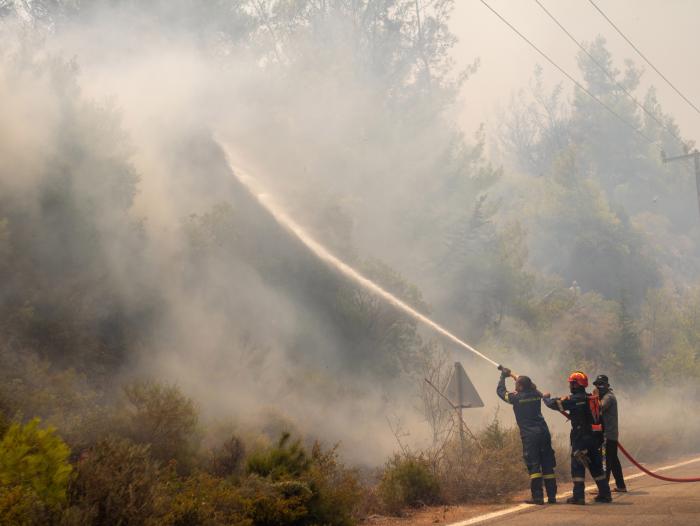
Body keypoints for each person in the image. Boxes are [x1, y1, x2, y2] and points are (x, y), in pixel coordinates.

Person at [543, 371, 612, 505]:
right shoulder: (590, 398)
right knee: (596, 466)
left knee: (577, 466)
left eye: (571, 383)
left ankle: (578, 497)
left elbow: (554, 404)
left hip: (581, 438)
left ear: (575, 384)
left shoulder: (575, 399)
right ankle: (605, 494)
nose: (569, 385)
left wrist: (546, 398)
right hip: (594, 438)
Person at [497, 367, 557, 505]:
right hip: (543, 432)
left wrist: (503, 377)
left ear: (521, 386)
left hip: (530, 437)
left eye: (516, 384)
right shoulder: (536, 394)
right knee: (547, 464)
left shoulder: (515, 397)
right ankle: (552, 496)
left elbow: (501, 392)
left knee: (534, 466)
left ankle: (538, 497)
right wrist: (516, 378)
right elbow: (532, 386)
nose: (515, 386)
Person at [594, 374, 627, 492]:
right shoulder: (604, 396)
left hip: (607, 435)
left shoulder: (608, 397)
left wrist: (595, 397)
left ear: (607, 385)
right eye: (597, 385)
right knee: (613, 461)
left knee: (606, 462)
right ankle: (621, 486)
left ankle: (604, 489)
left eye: (601, 385)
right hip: (609, 434)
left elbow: (598, 408)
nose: (599, 387)